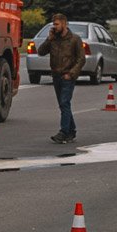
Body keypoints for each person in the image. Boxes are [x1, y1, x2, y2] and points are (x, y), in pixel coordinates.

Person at [37, 13, 86, 143]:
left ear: (64, 24)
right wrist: (49, 39)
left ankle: (64, 132)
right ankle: (72, 131)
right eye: (54, 24)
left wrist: (71, 74)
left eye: (57, 24)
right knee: (63, 105)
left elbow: (81, 59)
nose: (55, 27)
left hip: (68, 76)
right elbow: (40, 52)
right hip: (56, 76)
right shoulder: (54, 39)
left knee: (64, 103)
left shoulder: (74, 39)